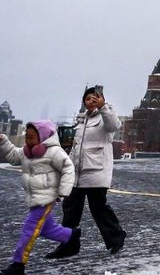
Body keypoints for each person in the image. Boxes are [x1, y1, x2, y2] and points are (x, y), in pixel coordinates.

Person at [46, 86, 126, 259]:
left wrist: (104, 107)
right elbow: (76, 148)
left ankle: (116, 236)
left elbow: (114, 126)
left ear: (102, 99)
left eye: (94, 98)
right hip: (78, 172)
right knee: (70, 208)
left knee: (98, 207)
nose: (91, 101)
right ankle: (68, 245)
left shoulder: (106, 115)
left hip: (96, 170)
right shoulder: (82, 121)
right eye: (87, 98)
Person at [0, 121, 80, 275]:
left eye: (32, 137)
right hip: (34, 198)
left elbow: (68, 168)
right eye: (27, 137)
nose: (28, 140)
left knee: (29, 228)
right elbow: (13, 156)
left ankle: (18, 265)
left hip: (46, 198)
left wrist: (63, 191)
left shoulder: (54, 152)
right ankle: (71, 235)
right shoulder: (27, 151)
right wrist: (3, 142)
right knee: (47, 229)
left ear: (42, 137)